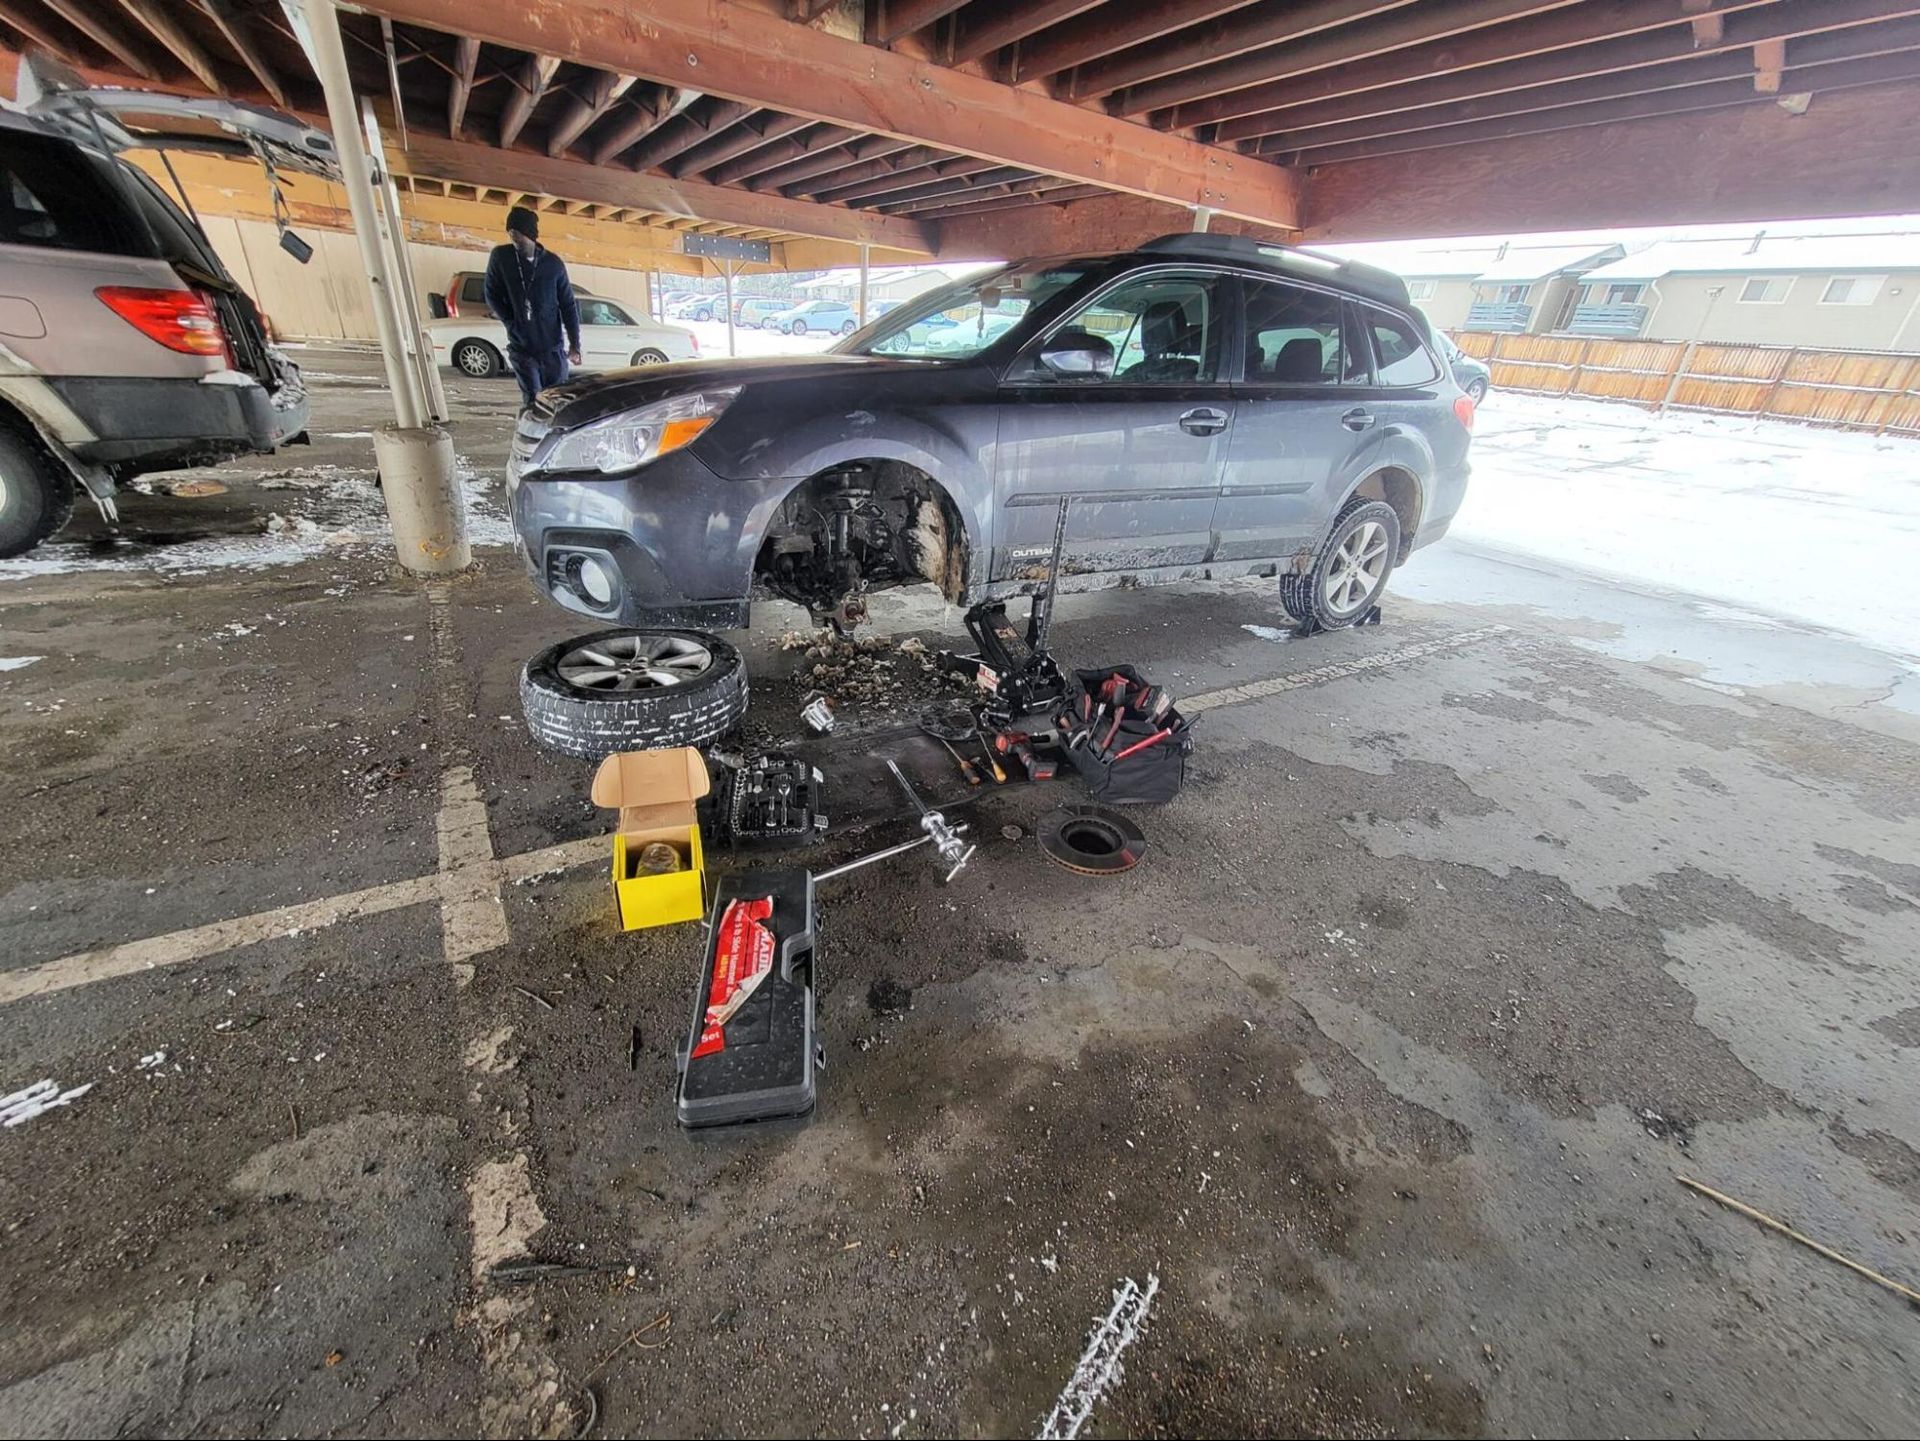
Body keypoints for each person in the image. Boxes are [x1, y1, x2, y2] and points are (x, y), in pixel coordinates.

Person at [483, 205, 581, 407]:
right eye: (511, 234)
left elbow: (568, 305)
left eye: (518, 234)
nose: (514, 239)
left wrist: (575, 344)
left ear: (530, 234)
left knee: (557, 399)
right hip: (522, 347)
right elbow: (491, 293)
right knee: (533, 400)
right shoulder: (502, 257)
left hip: (552, 348)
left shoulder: (553, 265)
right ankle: (533, 437)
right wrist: (511, 322)